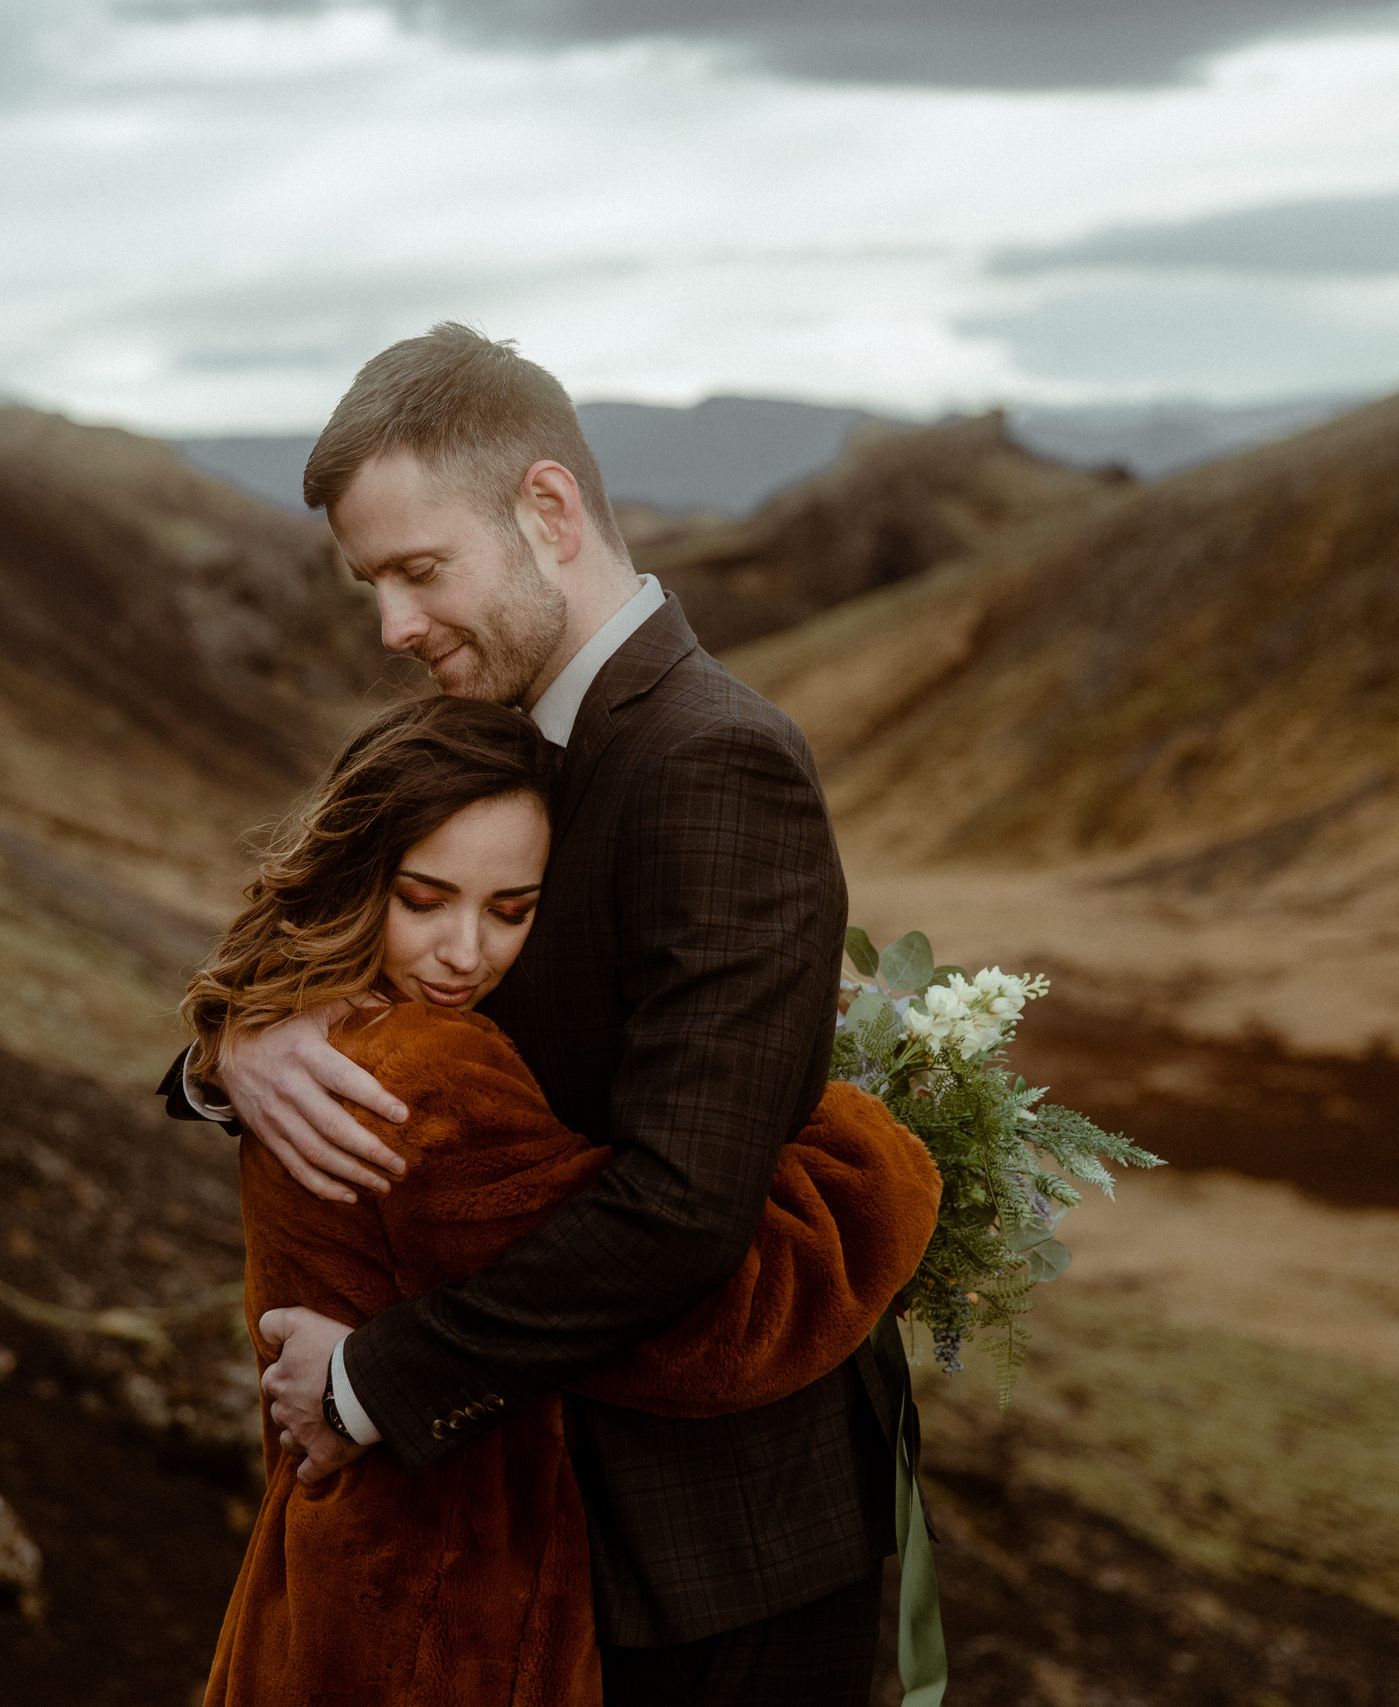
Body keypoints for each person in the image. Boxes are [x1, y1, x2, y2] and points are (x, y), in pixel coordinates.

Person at [165, 322, 915, 1703]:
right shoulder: (506, 738)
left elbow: (685, 1202)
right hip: (545, 1533)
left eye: (418, 569)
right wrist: (240, 1051)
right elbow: (349, 936)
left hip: (709, 1549)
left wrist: (370, 1382)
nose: (394, 624)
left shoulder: (713, 756)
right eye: (371, 584)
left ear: (548, 509)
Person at [190, 694, 941, 1705]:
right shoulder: (424, 1071)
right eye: (425, 898)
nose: (466, 953)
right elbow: (706, 1325)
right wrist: (874, 1155)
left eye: (511, 910)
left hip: (346, 1569)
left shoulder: (297, 1025)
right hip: (441, 1613)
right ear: (358, 874)